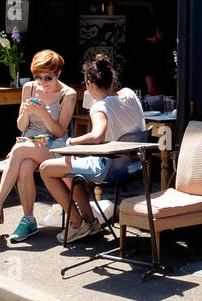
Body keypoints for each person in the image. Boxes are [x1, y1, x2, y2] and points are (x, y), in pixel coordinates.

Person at [0, 49, 76, 243]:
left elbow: (60, 131)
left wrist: (44, 113)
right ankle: (28, 219)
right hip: (29, 142)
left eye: (48, 78)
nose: (42, 83)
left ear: (58, 74)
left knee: (19, 151)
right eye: (38, 77)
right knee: (25, 164)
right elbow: (21, 126)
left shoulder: (67, 94)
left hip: (54, 145)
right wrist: (27, 112)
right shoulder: (28, 87)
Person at [40, 56, 145, 244]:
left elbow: (97, 135)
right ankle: (90, 221)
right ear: (112, 80)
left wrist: (71, 142)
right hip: (134, 164)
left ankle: (77, 222)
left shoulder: (99, 107)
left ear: (88, 84)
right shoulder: (130, 94)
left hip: (110, 167)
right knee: (67, 170)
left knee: (46, 168)